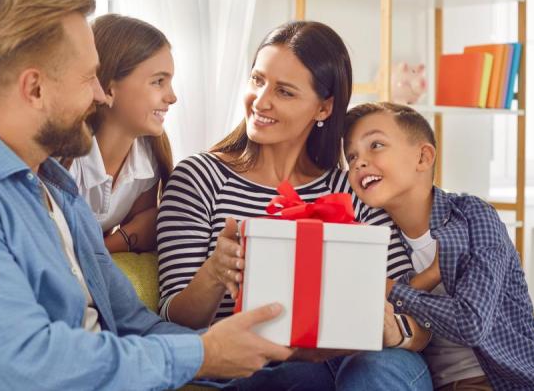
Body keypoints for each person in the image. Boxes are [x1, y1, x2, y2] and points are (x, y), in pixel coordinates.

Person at [0, 0, 293, 391]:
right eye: (89, 78)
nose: (100, 94)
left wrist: (245, 352)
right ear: (35, 89)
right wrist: (204, 354)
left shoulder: (58, 191)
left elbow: (135, 325)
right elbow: (32, 365)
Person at [157, 21, 432, 390]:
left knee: (377, 370)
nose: (261, 100)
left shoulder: (351, 188)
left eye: (284, 92)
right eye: (257, 80)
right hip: (261, 369)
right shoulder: (201, 177)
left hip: (354, 366)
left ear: (324, 107)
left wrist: (392, 329)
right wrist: (215, 272)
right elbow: (174, 319)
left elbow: (419, 317)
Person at [343, 101, 534, 390]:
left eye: (375, 145)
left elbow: (471, 323)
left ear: (423, 157)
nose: (359, 161)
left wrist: (391, 289)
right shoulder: (375, 236)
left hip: (511, 382)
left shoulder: (474, 217)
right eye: (351, 156)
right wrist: (425, 279)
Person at [67, 14, 176, 254]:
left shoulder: (148, 159)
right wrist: (122, 240)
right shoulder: (66, 159)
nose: (172, 97)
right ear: (107, 87)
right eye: (158, 82)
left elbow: (145, 230)